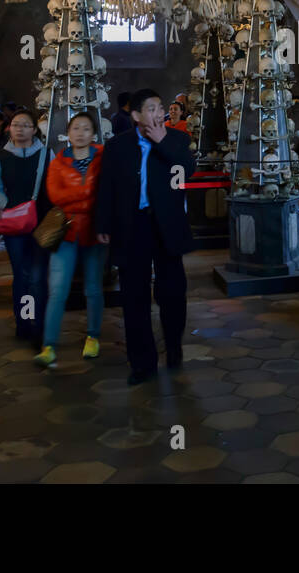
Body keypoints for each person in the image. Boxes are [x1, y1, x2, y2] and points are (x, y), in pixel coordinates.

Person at [95, 89, 195, 384]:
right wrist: (103, 222)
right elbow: (107, 187)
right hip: (131, 225)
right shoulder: (117, 146)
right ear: (136, 115)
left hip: (166, 224)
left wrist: (162, 142)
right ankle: (142, 362)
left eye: (160, 107)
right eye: (150, 108)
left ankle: (174, 346)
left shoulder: (177, 139)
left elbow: (185, 171)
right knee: (134, 296)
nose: (157, 113)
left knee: (173, 291)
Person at [35, 114, 107, 367]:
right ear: (68, 133)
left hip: (95, 231)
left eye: (86, 129)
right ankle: (49, 345)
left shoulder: (103, 158)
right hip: (65, 231)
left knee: (93, 288)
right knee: (58, 289)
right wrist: (89, 194)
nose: (80, 133)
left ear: (94, 134)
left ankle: (93, 336)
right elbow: (56, 196)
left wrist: (77, 197)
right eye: (76, 128)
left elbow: (107, 193)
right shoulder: (58, 162)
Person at [0, 108, 51, 346]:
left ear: (34, 129)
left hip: (40, 222)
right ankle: (24, 321)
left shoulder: (46, 154)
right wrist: (7, 206)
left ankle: (39, 324)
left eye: (26, 125)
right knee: (21, 275)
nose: (20, 128)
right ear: (10, 129)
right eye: (16, 124)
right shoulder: (1, 156)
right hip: (15, 223)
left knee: (37, 276)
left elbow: (52, 183)